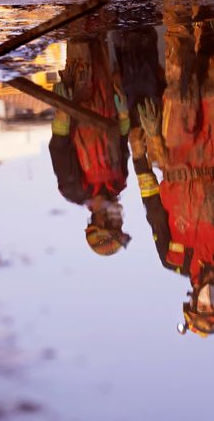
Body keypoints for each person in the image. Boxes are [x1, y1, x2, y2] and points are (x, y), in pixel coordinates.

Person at [129, 7, 214, 335]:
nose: (210, 301)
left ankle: (177, 10)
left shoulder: (173, 259)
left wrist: (140, 159)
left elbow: (153, 209)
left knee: (180, 88)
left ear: (191, 303)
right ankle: (207, 25)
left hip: (176, 158)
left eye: (203, 307)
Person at [49, 30, 132, 257]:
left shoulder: (73, 190)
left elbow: (58, 148)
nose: (118, 219)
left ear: (97, 221)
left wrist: (62, 115)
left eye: (113, 224)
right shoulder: (120, 182)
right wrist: (124, 114)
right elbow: (123, 142)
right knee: (99, 41)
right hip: (106, 103)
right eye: (119, 224)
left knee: (80, 42)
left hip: (78, 104)